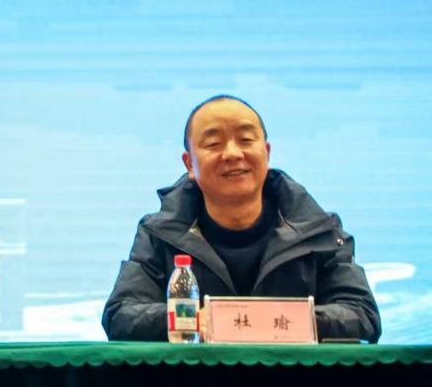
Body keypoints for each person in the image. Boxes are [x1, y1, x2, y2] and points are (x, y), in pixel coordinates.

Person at [102, 95, 380, 342]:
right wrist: (201, 320)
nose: (233, 154)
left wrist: (267, 322)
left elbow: (362, 315)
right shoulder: (160, 232)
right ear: (189, 164)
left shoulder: (318, 230)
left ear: (266, 153)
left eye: (246, 140)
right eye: (213, 143)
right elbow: (122, 315)